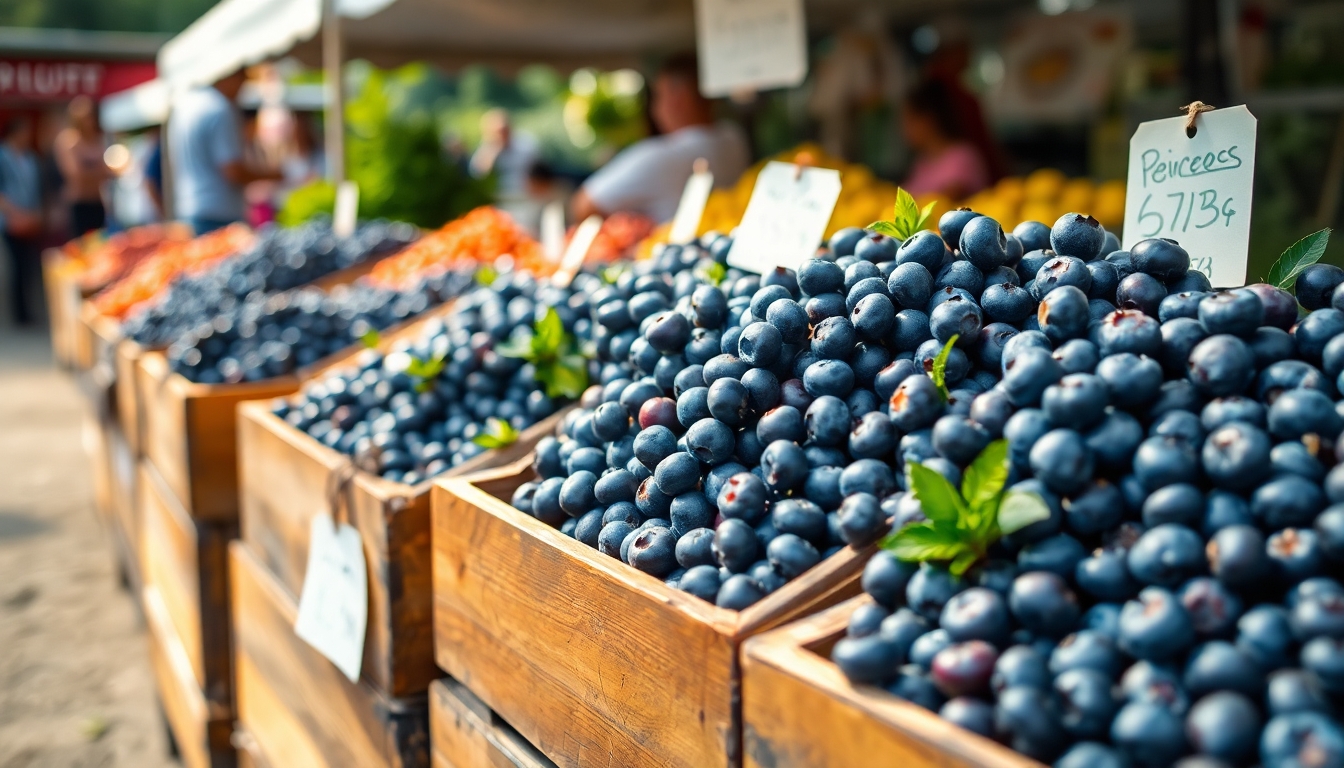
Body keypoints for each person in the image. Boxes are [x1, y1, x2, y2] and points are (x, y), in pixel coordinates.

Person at [571, 54, 749, 224]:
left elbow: (583, 205)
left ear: (679, 99)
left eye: (659, 96)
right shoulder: (734, 137)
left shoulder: (657, 157)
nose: (654, 110)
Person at [166, 69, 279, 235]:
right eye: (241, 81)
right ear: (228, 76)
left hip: (190, 211)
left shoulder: (184, 105)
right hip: (218, 215)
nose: (242, 90)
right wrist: (275, 174)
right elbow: (232, 170)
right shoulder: (219, 108)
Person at [899, 78, 991, 201]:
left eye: (910, 120)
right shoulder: (921, 163)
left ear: (928, 120)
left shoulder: (963, 157)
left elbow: (950, 200)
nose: (904, 128)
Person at [0, 116, 44, 325]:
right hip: (10, 220)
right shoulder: (2, 156)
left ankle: (27, 310)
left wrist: (34, 213)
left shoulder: (30, 157)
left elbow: (35, 190)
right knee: (17, 267)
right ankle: (19, 314)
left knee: (28, 267)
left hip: (29, 218)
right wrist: (16, 214)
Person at [54, 95, 110, 237]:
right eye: (85, 117)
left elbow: (107, 172)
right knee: (79, 250)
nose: (89, 122)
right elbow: (74, 174)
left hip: (97, 202)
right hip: (78, 204)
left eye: (90, 117)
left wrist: (93, 171)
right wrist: (99, 172)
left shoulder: (97, 139)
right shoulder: (68, 140)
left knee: (99, 247)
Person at [469, 109, 539, 200]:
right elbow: (477, 175)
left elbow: (539, 168)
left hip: (527, 195)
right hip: (499, 198)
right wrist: (493, 152)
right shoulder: (486, 149)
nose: (503, 135)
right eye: (499, 132)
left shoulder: (526, 144)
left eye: (505, 130)